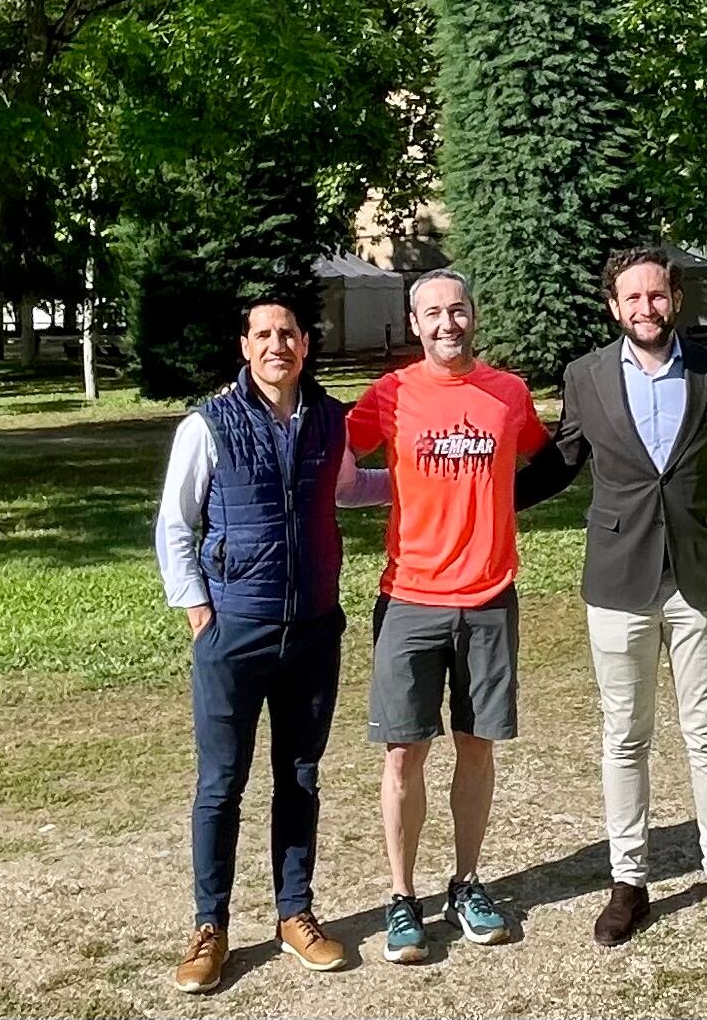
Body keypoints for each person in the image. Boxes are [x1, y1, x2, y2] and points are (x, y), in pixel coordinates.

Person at [517, 246, 707, 947]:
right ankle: (628, 879)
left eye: (656, 296)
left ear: (676, 300)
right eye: (632, 299)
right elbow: (565, 457)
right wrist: (492, 498)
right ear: (614, 307)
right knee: (624, 737)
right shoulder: (587, 376)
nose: (646, 309)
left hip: (700, 577)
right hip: (619, 579)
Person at [156, 295, 388, 992]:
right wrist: (201, 613)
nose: (276, 344)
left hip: (314, 630)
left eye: (287, 333)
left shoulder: (328, 419)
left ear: (305, 345)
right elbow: (175, 525)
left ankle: (296, 913)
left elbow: (345, 488)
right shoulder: (209, 423)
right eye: (263, 334)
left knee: (301, 776)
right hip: (234, 632)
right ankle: (210, 926)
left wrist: (420, 485)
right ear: (245, 345)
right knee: (221, 784)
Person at [346, 268, 550, 964]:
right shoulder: (391, 393)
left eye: (457, 309)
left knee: (476, 744)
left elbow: (545, 463)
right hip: (410, 597)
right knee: (403, 751)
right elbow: (336, 463)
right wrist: (386, 486)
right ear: (413, 322)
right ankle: (402, 897)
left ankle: (466, 882)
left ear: (473, 315)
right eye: (432, 313)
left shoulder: (509, 394)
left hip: (489, 597)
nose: (446, 323)